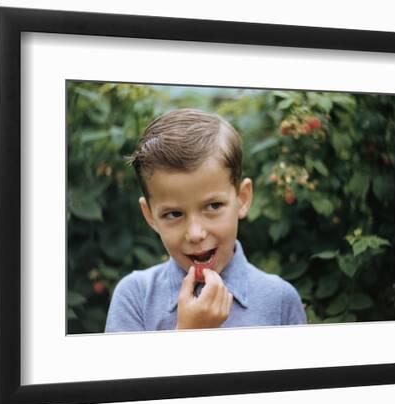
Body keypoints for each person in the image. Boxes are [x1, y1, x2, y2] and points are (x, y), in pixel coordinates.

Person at [105, 108, 306, 332]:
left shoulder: (279, 301)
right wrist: (189, 333)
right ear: (150, 215)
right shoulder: (135, 298)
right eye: (173, 214)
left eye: (213, 206)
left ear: (242, 198)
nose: (195, 233)